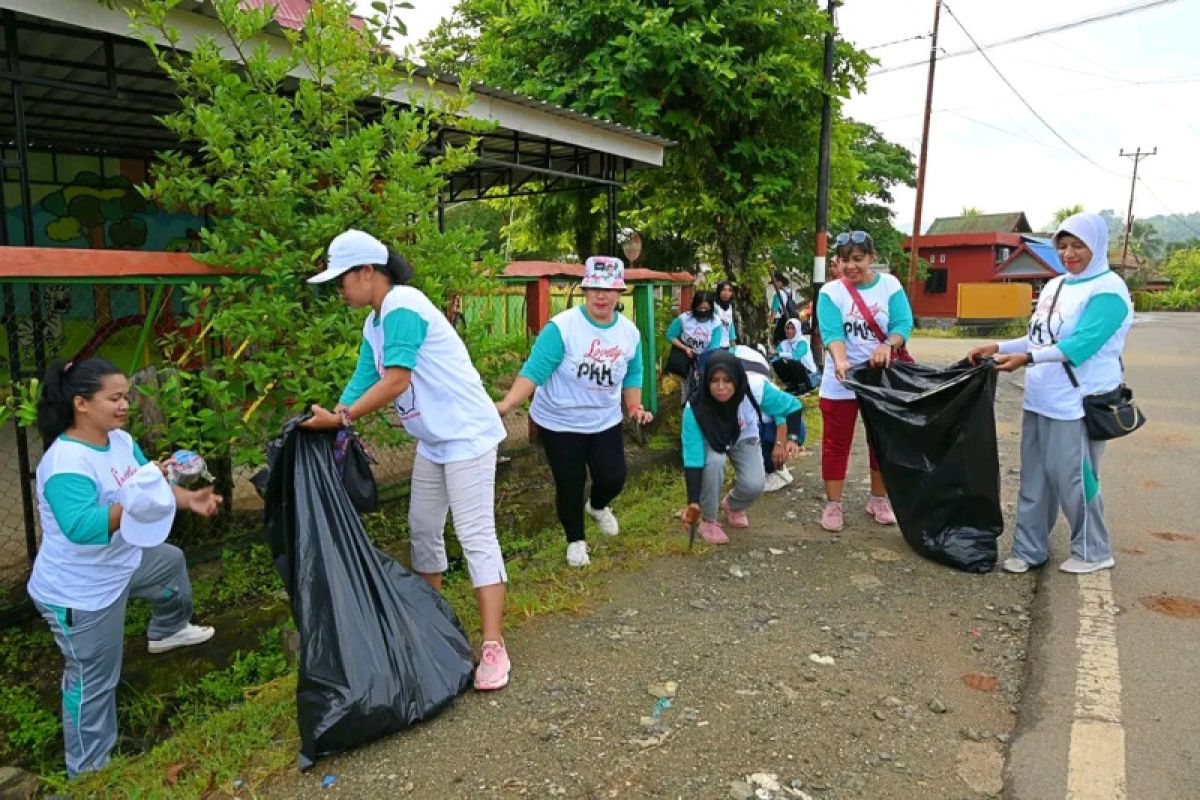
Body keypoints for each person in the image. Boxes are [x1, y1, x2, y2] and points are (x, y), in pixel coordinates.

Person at [302, 229, 511, 691]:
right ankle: (433, 629)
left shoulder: (403, 306)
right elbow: (361, 381)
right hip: (434, 441)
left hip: (467, 436)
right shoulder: (374, 324)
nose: (339, 289)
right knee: (421, 529)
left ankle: (494, 645)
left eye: (343, 279)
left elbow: (396, 380)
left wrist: (345, 418)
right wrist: (335, 415)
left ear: (368, 272)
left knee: (476, 536)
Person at [29, 357, 223, 777]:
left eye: (126, 397)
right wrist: (128, 504)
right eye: (114, 398)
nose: (124, 406)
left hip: (122, 562)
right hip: (81, 591)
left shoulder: (118, 440)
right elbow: (82, 527)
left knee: (170, 563)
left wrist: (190, 498)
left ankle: (167, 629)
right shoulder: (66, 464)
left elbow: (146, 483)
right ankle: (89, 771)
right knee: (93, 679)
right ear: (81, 403)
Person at [967, 212, 1133, 575]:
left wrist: (1025, 358)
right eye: (1063, 246)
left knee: (1074, 477)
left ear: (1097, 246)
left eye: (1078, 246)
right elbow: (1040, 337)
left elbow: (1081, 344)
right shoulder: (1057, 286)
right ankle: (1029, 549)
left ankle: (1093, 550)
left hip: (1077, 402)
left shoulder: (1109, 290)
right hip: (1041, 396)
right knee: (1035, 477)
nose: (1069, 254)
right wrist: (997, 345)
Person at [495, 256, 653, 567]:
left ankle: (597, 506)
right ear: (584, 290)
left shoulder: (629, 333)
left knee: (614, 476)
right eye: (594, 288)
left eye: (608, 289)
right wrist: (508, 403)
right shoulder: (563, 328)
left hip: (603, 419)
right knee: (569, 481)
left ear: (620, 292)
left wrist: (634, 406)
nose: (601, 296)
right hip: (559, 421)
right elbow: (535, 370)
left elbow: (633, 373)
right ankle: (576, 541)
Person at [816, 230, 913, 533]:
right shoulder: (830, 293)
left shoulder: (890, 286)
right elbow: (832, 333)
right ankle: (833, 504)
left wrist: (889, 345)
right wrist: (841, 360)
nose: (850, 266)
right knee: (836, 442)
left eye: (857, 259)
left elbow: (902, 324)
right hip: (841, 379)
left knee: (881, 441)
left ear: (872, 258)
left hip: (880, 379)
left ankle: (878, 499)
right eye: (844, 260)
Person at [679, 351, 804, 543]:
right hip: (712, 440)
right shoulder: (695, 408)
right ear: (706, 381)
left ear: (737, 379)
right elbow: (693, 459)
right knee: (714, 463)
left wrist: (792, 438)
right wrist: (693, 502)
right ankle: (709, 520)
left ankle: (733, 505)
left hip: (744, 436)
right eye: (714, 381)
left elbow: (792, 406)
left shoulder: (754, 388)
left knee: (755, 484)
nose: (721, 387)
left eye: (728, 381)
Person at [733, 345, 806, 494]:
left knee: (755, 435)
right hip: (754, 426)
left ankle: (774, 470)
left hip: (777, 427)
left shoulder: (756, 386)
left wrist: (782, 444)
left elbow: (786, 412)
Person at [666, 290, 727, 395]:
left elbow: (714, 347)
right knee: (686, 388)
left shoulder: (716, 323)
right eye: (700, 308)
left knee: (703, 387)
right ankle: (686, 406)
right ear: (694, 306)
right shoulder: (684, 319)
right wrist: (685, 348)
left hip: (705, 358)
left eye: (706, 309)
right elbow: (670, 335)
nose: (703, 311)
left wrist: (701, 364)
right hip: (685, 358)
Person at [771, 317, 818, 395]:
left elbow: (796, 356)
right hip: (794, 373)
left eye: (793, 328)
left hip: (808, 375)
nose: (789, 331)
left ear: (798, 330)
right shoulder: (784, 343)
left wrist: (780, 354)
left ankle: (803, 387)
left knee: (793, 362)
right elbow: (775, 357)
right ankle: (791, 386)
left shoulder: (802, 341)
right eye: (787, 328)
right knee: (777, 363)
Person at [769, 271, 799, 344]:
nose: (773, 285)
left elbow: (774, 309)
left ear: (780, 282)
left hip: (779, 321)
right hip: (789, 319)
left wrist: (770, 325)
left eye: (775, 282)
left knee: (778, 341)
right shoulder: (791, 292)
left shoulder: (777, 293)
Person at [714, 280, 738, 348]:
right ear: (719, 291)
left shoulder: (730, 307)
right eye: (723, 290)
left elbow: (730, 326)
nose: (726, 293)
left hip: (726, 345)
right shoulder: (714, 306)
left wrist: (733, 345)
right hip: (715, 345)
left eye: (729, 291)